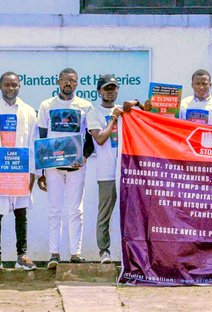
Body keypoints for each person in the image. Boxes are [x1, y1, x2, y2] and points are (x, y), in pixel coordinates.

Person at [0, 72, 38, 272]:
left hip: (21, 172)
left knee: (21, 212)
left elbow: (33, 143)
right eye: (7, 85)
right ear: (0, 87)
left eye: (14, 85)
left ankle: (22, 256)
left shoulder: (28, 111)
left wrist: (32, 172)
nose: (11, 89)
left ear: (20, 86)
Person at [37, 68, 94, 268]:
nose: (69, 84)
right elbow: (42, 138)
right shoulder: (46, 105)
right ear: (58, 82)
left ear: (77, 84)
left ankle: (75, 253)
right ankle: (54, 254)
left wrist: (85, 156)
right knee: (54, 209)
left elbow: (90, 136)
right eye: (65, 80)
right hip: (53, 167)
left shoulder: (85, 106)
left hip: (77, 166)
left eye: (73, 81)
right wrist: (42, 170)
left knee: (76, 210)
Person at [86, 74, 124, 264]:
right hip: (106, 172)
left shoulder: (125, 112)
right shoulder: (94, 113)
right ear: (99, 91)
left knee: (132, 212)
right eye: (106, 88)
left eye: (113, 88)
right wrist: (113, 119)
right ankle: (104, 251)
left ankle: (130, 251)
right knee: (104, 214)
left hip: (126, 171)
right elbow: (100, 139)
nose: (110, 92)